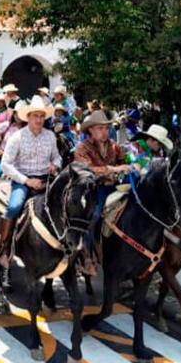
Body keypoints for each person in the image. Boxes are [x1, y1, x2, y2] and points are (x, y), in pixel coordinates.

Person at [0, 95, 62, 268]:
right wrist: (26, 181)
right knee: (15, 206)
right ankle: (4, 246)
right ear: (28, 117)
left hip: (46, 180)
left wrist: (55, 165)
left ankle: (73, 250)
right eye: (35, 116)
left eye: (41, 116)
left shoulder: (50, 136)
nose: (39, 119)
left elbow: (57, 157)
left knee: (67, 204)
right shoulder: (17, 137)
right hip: (22, 180)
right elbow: (5, 164)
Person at [74, 110, 131, 274]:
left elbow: (124, 161)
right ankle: (86, 255)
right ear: (90, 130)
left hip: (114, 186)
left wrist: (131, 164)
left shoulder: (114, 145)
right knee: (95, 216)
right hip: (93, 188)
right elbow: (88, 170)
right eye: (100, 128)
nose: (104, 132)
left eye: (106, 128)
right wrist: (113, 169)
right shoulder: (82, 148)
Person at [0, 100, 27, 183]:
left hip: (21, 163)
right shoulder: (6, 125)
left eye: (20, 114)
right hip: (4, 159)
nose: (18, 116)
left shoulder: (28, 130)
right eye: (16, 113)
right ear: (14, 114)